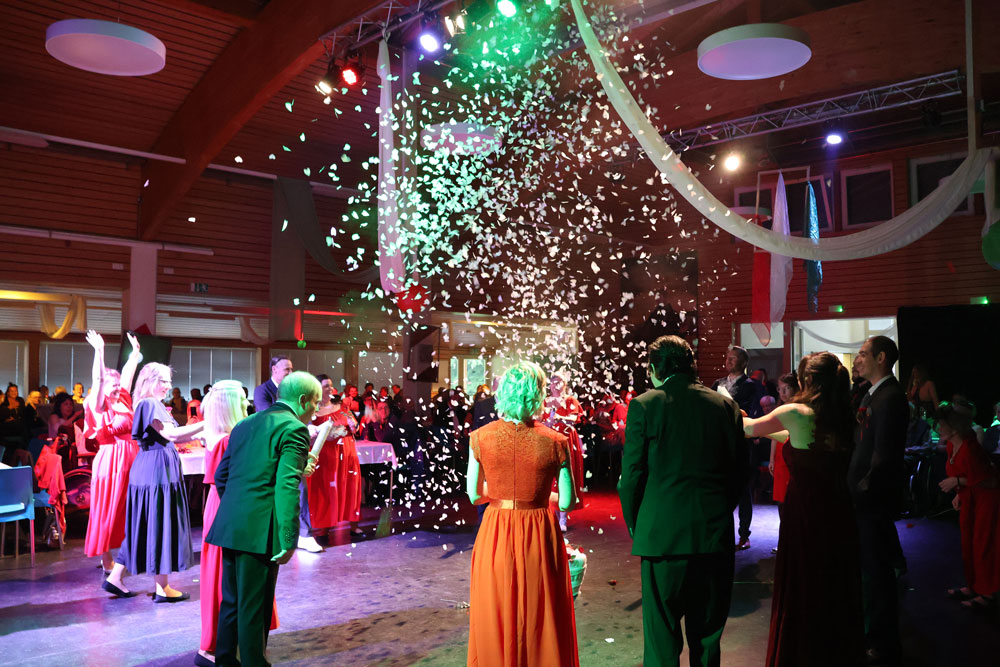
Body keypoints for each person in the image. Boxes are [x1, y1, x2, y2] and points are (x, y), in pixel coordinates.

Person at [619, 335, 746, 667]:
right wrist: (718, 512)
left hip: (661, 538)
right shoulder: (725, 407)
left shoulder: (645, 405)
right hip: (713, 536)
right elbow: (738, 475)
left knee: (661, 641)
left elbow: (631, 477)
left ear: (656, 368)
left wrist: (637, 523)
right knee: (707, 639)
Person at [744, 352, 866, 666]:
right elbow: (796, 438)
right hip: (839, 511)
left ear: (807, 379)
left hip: (806, 513)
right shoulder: (843, 417)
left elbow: (749, 428)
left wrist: (724, 404)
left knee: (805, 584)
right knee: (833, 584)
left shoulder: (795, 412)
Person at [206, 372, 324, 667]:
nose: (317, 410)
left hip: (231, 526)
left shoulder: (244, 424)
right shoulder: (294, 429)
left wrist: (239, 508)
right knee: (254, 607)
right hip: (260, 532)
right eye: (316, 402)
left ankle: (225, 661)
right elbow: (286, 487)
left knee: (232, 601)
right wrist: (289, 538)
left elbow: (222, 476)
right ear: (302, 400)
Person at [466, 361, 579, 666]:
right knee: (540, 614)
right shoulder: (556, 441)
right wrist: (539, 495)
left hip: (496, 531)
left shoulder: (480, 437)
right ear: (538, 395)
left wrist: (503, 493)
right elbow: (567, 502)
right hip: (538, 532)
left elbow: (474, 495)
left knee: (496, 613)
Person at [103, 362, 205, 600]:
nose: (168, 386)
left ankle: (116, 577)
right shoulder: (149, 403)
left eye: (169, 381)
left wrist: (201, 432)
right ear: (150, 381)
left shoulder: (149, 404)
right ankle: (162, 588)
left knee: (144, 527)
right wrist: (209, 423)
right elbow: (171, 435)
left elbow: (173, 436)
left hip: (153, 469)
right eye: (163, 381)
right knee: (159, 525)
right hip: (156, 472)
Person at [197, 380, 278, 667]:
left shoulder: (218, 435)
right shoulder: (228, 438)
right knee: (236, 585)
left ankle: (225, 647)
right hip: (231, 505)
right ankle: (237, 648)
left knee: (226, 583)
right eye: (242, 400)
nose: (247, 404)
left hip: (219, 505)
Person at [850, 336, 908, 666]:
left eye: (862, 354)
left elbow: (883, 456)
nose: (857, 360)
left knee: (877, 574)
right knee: (870, 572)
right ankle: (874, 636)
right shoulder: (874, 394)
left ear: (881, 358)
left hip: (871, 502)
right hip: (865, 501)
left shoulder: (891, 398)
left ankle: (882, 643)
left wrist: (861, 491)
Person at [82, 331, 142, 575]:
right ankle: (106, 557)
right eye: (113, 385)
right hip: (111, 461)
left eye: (118, 385)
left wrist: (135, 354)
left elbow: (128, 375)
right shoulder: (97, 404)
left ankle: (129, 553)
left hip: (131, 459)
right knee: (107, 508)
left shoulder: (123, 399)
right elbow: (97, 379)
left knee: (128, 508)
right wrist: (99, 351)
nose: (118, 387)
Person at [936, 399, 1000, 611]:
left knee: (982, 544)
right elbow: (965, 475)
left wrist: (957, 482)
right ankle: (973, 585)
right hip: (971, 498)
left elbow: (989, 480)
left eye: (943, 425)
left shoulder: (970, 448)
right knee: (969, 543)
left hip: (986, 500)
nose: (939, 429)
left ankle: (986, 592)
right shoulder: (952, 446)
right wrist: (959, 493)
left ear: (954, 428)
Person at [254, 355, 321, 553]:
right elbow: (269, 416)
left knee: (299, 488)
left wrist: (310, 424)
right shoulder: (263, 390)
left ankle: (304, 534)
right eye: (287, 369)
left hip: (292, 447)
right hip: (271, 448)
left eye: (292, 369)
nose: (291, 373)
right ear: (274, 370)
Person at [712, 345, 764, 550]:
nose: (728, 361)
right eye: (727, 357)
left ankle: (744, 534)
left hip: (741, 442)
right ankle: (720, 534)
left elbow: (751, 412)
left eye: (733, 358)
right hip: (719, 443)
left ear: (743, 362)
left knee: (742, 489)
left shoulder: (751, 385)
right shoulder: (718, 383)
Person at [308, 375, 363, 537]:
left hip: (347, 451)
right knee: (327, 489)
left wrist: (354, 425)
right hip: (326, 455)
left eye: (331, 385)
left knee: (350, 486)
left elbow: (355, 426)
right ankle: (325, 527)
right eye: (326, 386)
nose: (330, 388)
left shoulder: (341, 406)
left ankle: (354, 524)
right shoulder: (312, 410)